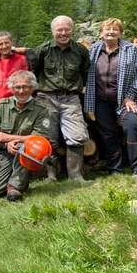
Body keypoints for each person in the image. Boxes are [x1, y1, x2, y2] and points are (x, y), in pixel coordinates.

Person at [84, 18, 137, 177]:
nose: (111, 32)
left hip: (124, 100)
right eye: (107, 29)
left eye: (115, 29)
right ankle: (115, 169)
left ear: (120, 33)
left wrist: (130, 97)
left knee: (132, 126)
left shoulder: (131, 50)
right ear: (101, 33)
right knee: (108, 134)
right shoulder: (94, 50)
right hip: (100, 101)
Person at [32, 15, 90, 183]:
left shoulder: (80, 51)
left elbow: (85, 72)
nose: (63, 33)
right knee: (48, 137)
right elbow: (34, 72)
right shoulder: (43, 50)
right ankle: (50, 175)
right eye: (59, 30)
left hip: (71, 98)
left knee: (77, 136)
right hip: (46, 98)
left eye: (67, 29)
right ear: (53, 31)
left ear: (72, 30)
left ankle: (76, 176)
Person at [0, 71, 51, 201]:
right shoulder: (1, 105)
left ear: (32, 88)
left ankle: (15, 187)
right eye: (17, 87)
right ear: (11, 88)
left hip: (28, 152)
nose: (21, 91)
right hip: (3, 152)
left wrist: (9, 138)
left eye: (25, 87)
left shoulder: (41, 109)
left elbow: (41, 138)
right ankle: (19, 181)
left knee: (23, 148)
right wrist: (6, 143)